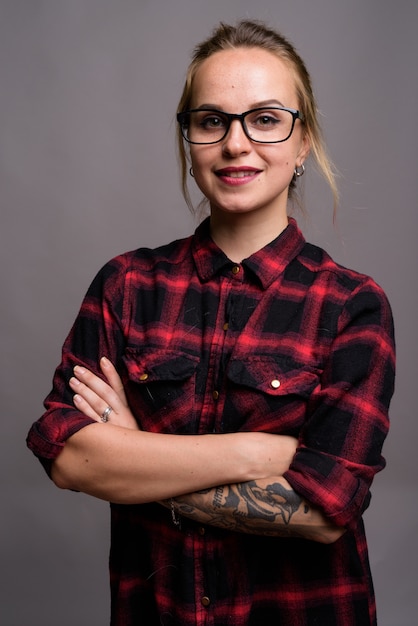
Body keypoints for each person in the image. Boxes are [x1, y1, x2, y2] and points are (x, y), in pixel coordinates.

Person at [27, 19, 395, 626]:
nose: (237, 144)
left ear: (303, 143)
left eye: (267, 119)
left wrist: (136, 457)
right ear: (189, 138)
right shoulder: (126, 285)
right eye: (211, 121)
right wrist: (257, 453)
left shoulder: (352, 305)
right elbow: (67, 457)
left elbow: (326, 513)